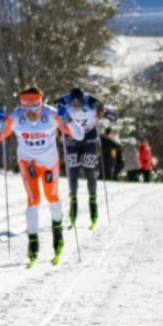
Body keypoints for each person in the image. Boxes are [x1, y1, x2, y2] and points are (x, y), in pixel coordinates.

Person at [0, 85, 82, 267]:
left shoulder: (52, 115)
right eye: (26, 108)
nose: (31, 113)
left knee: (52, 197)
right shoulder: (16, 118)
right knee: (33, 200)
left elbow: (79, 135)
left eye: (34, 108)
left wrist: (68, 119)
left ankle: (58, 237)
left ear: (41, 104)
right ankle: (33, 246)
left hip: (49, 163)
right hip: (28, 163)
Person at [58, 86, 113, 229]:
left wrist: (106, 113)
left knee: (89, 170)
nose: (77, 107)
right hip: (72, 136)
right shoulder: (64, 100)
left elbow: (103, 109)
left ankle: (93, 205)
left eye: (80, 104)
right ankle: (73, 205)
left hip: (89, 136)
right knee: (73, 171)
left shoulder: (90, 100)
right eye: (74, 105)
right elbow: (51, 109)